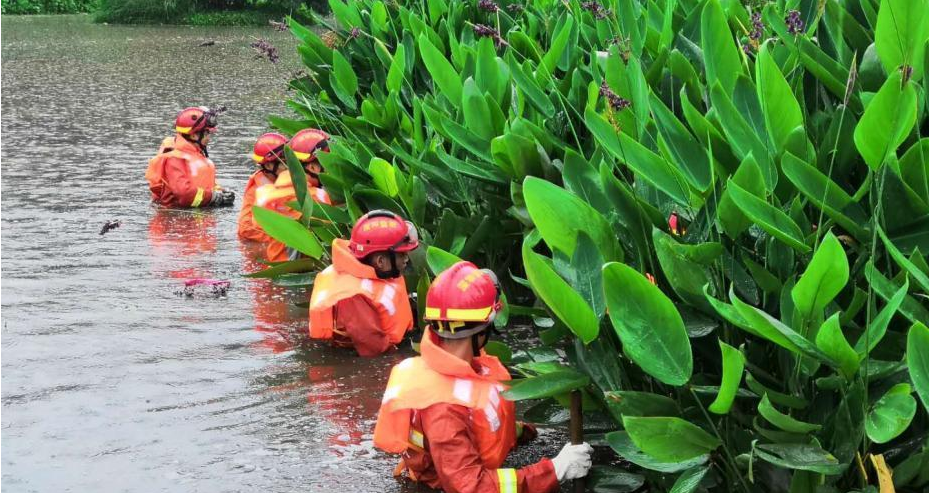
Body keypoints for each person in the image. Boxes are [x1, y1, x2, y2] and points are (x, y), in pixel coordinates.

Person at [373, 261, 593, 493]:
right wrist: (554, 470)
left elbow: (484, 422)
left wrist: (533, 433)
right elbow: (471, 487)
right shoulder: (443, 409)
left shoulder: (468, 369)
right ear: (483, 327)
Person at [307, 210, 419, 357]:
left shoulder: (371, 272)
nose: (406, 259)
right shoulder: (355, 296)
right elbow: (373, 349)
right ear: (380, 262)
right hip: (347, 357)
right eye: (402, 255)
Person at [255, 128, 333, 262]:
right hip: (303, 272)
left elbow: (256, 228)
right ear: (313, 168)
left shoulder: (266, 195)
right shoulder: (318, 197)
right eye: (325, 166)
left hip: (276, 267)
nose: (328, 171)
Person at [146, 106, 235, 208]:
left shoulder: (196, 154)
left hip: (196, 217)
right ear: (194, 136)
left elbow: (204, 185)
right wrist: (213, 197)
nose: (209, 138)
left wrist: (221, 193)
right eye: (207, 133)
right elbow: (185, 195)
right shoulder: (174, 159)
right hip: (174, 220)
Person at [238, 132, 288, 242]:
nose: (289, 167)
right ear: (269, 165)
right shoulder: (255, 191)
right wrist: (284, 238)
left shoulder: (287, 182)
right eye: (284, 163)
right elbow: (246, 229)